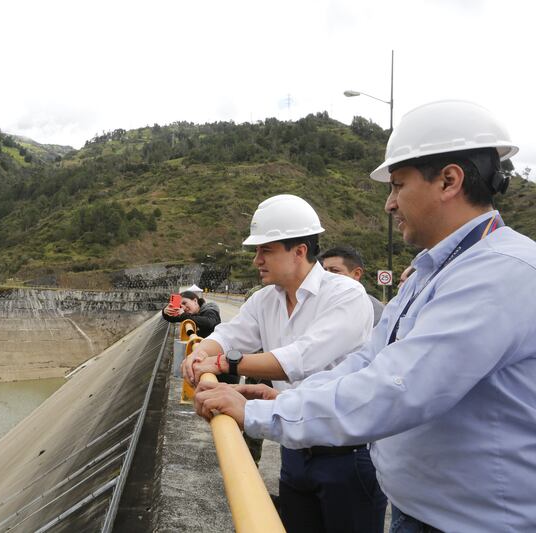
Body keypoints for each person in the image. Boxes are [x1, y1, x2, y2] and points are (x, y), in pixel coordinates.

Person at [192, 100, 536, 532]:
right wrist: (285, 399)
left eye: (397, 185)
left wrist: (260, 413)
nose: (390, 204)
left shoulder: (501, 273)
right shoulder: (432, 273)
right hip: (419, 512)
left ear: (449, 180)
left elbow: (396, 387)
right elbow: (368, 362)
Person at [181, 194, 385, 533]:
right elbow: (232, 333)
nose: (256, 260)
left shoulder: (346, 296)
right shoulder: (265, 300)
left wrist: (219, 363)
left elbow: (300, 358)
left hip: (345, 456)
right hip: (294, 450)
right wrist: (202, 353)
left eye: (266, 250)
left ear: (300, 251)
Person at [163, 291, 238, 385]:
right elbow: (172, 318)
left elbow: (210, 322)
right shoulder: (190, 314)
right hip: (207, 360)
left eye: (185, 303)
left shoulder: (210, 309)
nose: (183, 307)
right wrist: (165, 311)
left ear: (195, 300)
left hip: (223, 365)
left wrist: (183, 315)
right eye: (181, 305)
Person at [320, 245, 385, 325]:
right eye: (324, 271)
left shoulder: (375, 309)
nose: (327, 276)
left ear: (357, 274)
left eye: (335, 271)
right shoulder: (316, 303)